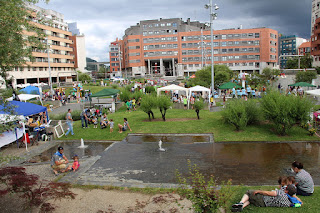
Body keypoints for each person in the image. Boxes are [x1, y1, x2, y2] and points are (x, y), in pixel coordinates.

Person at [231, 184, 298, 212]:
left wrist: (259, 191)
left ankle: (241, 202)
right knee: (251, 200)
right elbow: (299, 202)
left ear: (287, 191)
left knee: (249, 192)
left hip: (263, 200)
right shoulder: (289, 203)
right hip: (264, 205)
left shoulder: (280, 193)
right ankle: (241, 207)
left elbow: (267, 193)